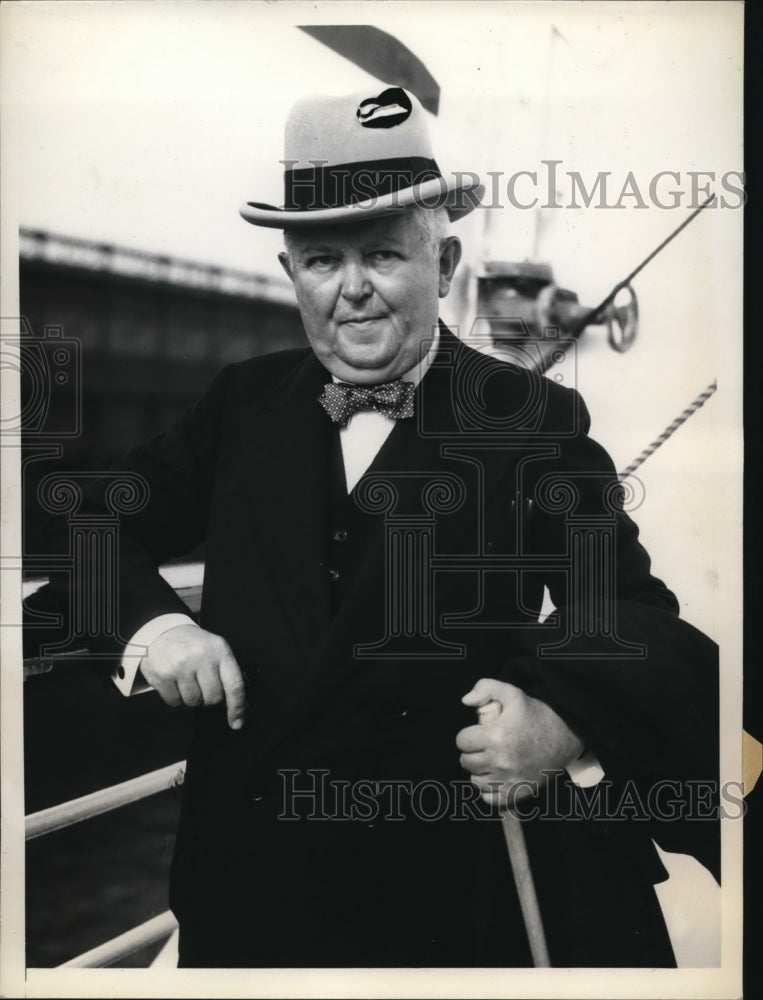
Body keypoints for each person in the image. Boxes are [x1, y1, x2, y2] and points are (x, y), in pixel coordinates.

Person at [27, 86, 719, 968]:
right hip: (249, 891)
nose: (350, 289)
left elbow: (632, 613)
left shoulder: (532, 416)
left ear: (445, 263)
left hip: (447, 900)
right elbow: (84, 517)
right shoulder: (243, 402)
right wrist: (153, 625)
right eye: (321, 260)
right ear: (289, 274)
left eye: (383, 254)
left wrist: (559, 722)